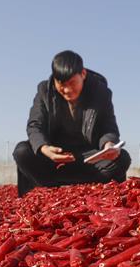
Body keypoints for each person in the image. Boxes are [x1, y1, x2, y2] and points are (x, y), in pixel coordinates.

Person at [13, 50, 130, 196]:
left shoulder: (100, 92)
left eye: (72, 83)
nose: (67, 90)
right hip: (55, 158)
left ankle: (78, 188)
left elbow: (108, 126)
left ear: (83, 74)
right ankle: (51, 187)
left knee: (122, 158)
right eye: (61, 84)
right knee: (22, 152)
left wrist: (109, 145)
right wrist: (44, 148)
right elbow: (35, 125)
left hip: (88, 158)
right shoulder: (44, 91)